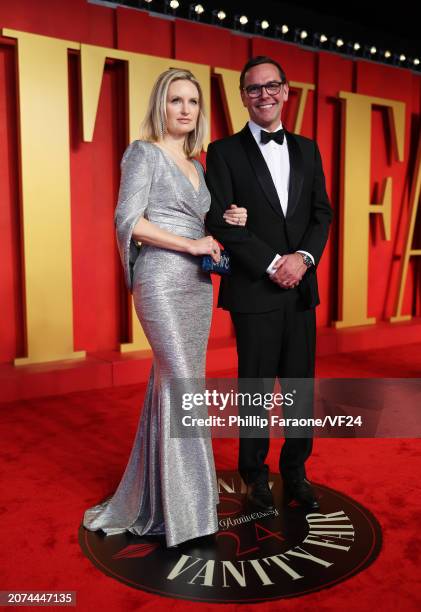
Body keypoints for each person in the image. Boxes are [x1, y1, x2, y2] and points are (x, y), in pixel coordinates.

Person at [83, 68, 247, 547]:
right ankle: (192, 516)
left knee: (173, 387)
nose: (184, 109)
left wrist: (227, 219)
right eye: (175, 99)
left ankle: (163, 501)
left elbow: (204, 220)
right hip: (159, 279)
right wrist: (190, 244)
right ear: (161, 104)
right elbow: (128, 221)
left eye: (193, 102)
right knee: (184, 388)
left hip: (198, 287)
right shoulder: (143, 152)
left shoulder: (198, 166)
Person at [205, 56, 333, 511]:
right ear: (243, 96)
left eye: (272, 86)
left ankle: (296, 471)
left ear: (285, 90)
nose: (264, 95)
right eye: (254, 89)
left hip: (300, 289)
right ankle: (254, 476)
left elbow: (322, 213)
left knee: (300, 387)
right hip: (255, 291)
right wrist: (276, 262)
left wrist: (303, 259)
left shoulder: (307, 149)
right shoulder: (222, 152)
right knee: (256, 390)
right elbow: (222, 220)